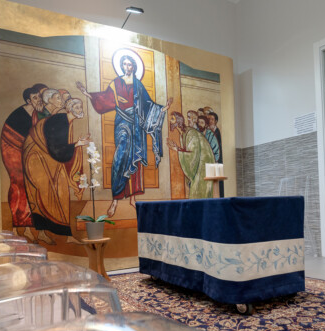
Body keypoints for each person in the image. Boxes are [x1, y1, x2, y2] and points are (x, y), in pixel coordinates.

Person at [76, 52, 172, 217]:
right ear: (121, 66)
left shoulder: (138, 85)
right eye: (124, 64)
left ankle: (133, 199)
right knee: (120, 158)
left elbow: (149, 105)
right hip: (122, 123)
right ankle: (115, 199)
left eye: (129, 64)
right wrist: (87, 93)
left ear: (134, 66)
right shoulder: (116, 83)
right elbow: (105, 99)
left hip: (137, 126)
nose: (127, 67)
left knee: (136, 159)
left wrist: (164, 109)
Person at [23, 98, 89, 244]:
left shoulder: (65, 121)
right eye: (77, 107)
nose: (80, 109)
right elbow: (57, 150)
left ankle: (65, 235)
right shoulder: (60, 121)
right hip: (37, 158)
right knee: (43, 193)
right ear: (69, 109)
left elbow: (58, 148)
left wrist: (76, 144)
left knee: (59, 194)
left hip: (47, 157)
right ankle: (44, 232)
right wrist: (77, 144)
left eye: (81, 106)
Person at [0, 85, 46, 241]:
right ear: (28, 101)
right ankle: (20, 225)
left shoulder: (38, 113)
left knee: (33, 183)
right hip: (12, 148)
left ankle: (31, 226)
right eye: (35, 98)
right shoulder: (21, 114)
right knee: (19, 182)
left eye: (39, 97)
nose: (38, 100)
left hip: (26, 149)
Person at [167, 111, 215, 198]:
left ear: (178, 120)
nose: (170, 121)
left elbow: (193, 155)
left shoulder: (191, 133)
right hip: (198, 163)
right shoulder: (183, 134)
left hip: (203, 164)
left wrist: (177, 149)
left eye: (173, 119)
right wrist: (177, 148)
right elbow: (188, 151)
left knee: (199, 191)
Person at [207, 112, 224, 197]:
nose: (210, 121)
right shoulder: (207, 132)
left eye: (212, 119)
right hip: (210, 161)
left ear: (216, 121)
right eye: (208, 119)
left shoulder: (217, 132)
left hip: (217, 162)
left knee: (217, 184)